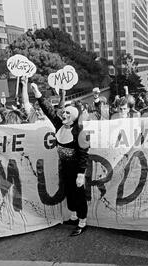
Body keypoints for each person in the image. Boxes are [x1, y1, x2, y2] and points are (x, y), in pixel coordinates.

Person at [32, 83, 89, 237]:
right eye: (64, 113)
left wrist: (81, 173)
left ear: (74, 117)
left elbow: (84, 154)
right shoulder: (59, 126)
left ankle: (82, 222)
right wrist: (38, 94)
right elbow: (49, 111)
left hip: (76, 169)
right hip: (64, 167)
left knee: (79, 195)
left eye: (67, 114)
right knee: (69, 192)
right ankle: (74, 216)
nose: (64, 115)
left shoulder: (80, 133)